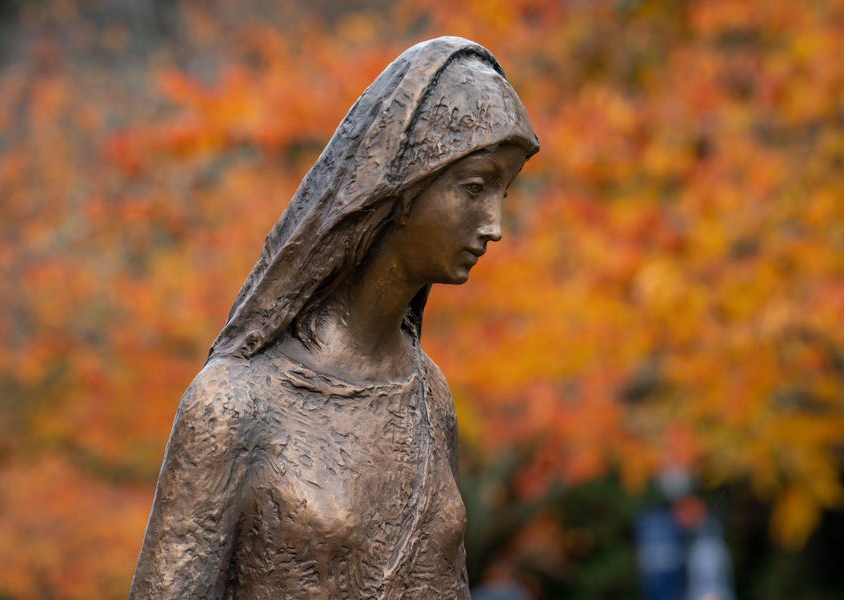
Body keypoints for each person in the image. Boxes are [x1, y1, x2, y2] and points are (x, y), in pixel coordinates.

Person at [129, 36, 539, 599]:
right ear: (399, 189)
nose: (494, 224)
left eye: (504, 193)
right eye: (473, 187)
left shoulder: (429, 394)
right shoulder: (235, 404)